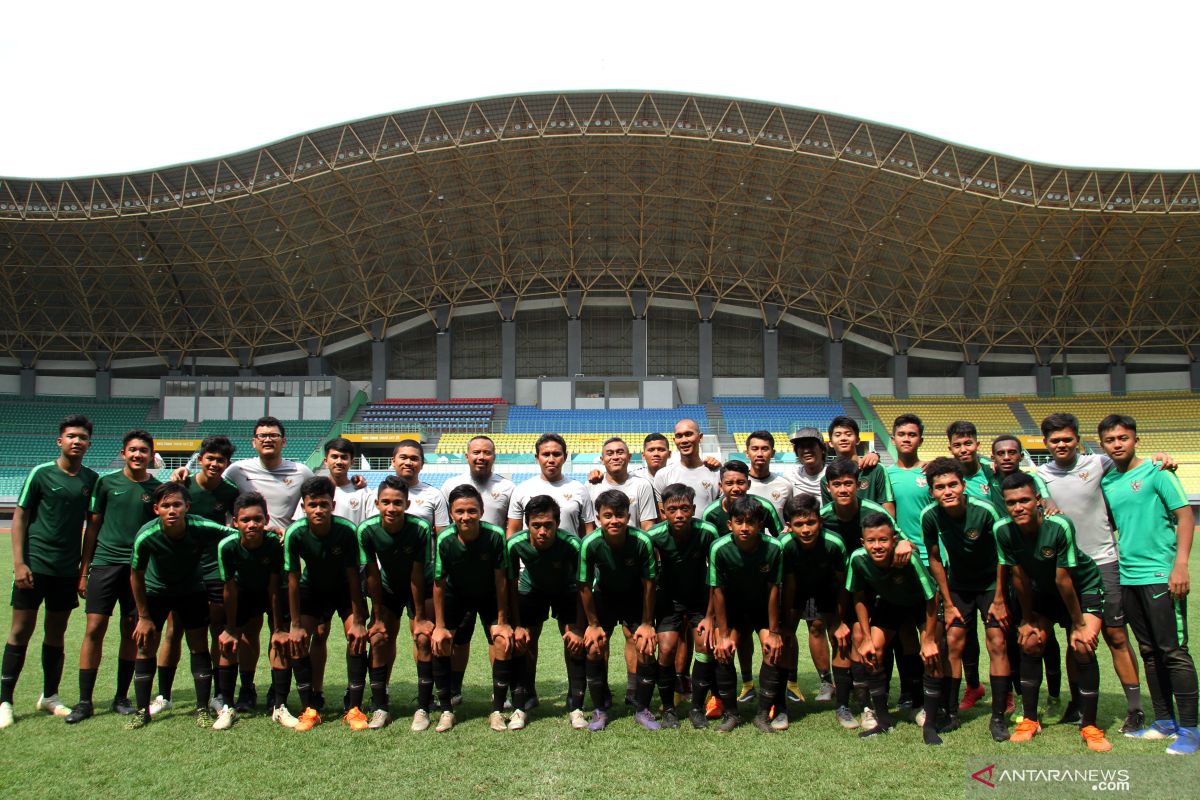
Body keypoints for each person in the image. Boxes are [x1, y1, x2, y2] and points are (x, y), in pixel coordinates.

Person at [1038, 413, 1171, 734]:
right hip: (1069, 567)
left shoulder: (1098, 463)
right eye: (1055, 440)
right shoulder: (1039, 474)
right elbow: (1037, 499)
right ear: (1045, 443)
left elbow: (1131, 466)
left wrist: (1158, 458)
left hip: (1104, 562)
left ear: (1078, 440)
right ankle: (1077, 703)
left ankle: (1135, 708)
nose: (1061, 445)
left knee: (1115, 635)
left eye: (1067, 439)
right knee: (1075, 638)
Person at [1097, 414, 1198, 754]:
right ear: (1103, 445)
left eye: (1123, 438)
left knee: (1173, 651)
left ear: (1136, 440)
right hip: (1128, 575)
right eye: (1111, 440)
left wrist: (1180, 566)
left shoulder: (1158, 473)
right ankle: (1165, 721)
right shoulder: (1109, 481)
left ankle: (1191, 729)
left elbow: (1185, 516)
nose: (1117, 444)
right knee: (1149, 652)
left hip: (1161, 574)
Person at [996, 472, 1112, 752]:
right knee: (1031, 640)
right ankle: (1031, 720)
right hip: (1043, 593)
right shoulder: (1003, 531)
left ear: (1038, 500)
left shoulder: (1059, 525)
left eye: (1024, 500)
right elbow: (1019, 578)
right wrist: (1027, 618)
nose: (1018, 507)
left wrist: (1079, 624)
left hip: (1081, 588)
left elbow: (1065, 580)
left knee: (1083, 645)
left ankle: (1090, 725)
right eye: (1011, 503)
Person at [0, 415, 98, 728]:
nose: (77, 441)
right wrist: (19, 564)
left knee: (56, 633)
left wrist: (82, 572)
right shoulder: (40, 474)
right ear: (60, 441)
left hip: (65, 572)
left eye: (82, 437)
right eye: (71, 436)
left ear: (89, 443)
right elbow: (19, 518)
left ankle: (50, 696)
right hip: (34, 567)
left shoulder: (91, 480)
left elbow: (91, 530)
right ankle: (5, 700)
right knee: (20, 631)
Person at [67, 430, 161, 724]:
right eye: (132, 450)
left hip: (138, 569)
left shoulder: (157, 489)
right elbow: (92, 528)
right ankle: (85, 701)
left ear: (151, 456)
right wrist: (84, 570)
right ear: (123, 453)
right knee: (94, 627)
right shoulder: (106, 483)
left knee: (131, 631)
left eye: (143, 451)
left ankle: (122, 697)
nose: (137, 455)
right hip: (105, 565)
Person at [127, 482, 236, 729]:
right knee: (145, 647)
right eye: (166, 505)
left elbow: (234, 533)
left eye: (177, 504)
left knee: (198, 646)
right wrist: (143, 617)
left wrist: (269, 532)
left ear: (187, 506)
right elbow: (135, 574)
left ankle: (201, 708)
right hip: (157, 592)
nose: (172, 510)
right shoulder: (147, 535)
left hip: (191, 590)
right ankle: (142, 710)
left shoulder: (200, 525)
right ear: (156, 509)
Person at [920, 457, 1011, 742]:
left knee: (996, 642)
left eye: (952, 485)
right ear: (932, 492)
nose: (947, 491)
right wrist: (947, 602)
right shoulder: (930, 516)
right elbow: (935, 559)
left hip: (990, 586)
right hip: (958, 586)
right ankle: (950, 713)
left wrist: (999, 598)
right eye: (939, 487)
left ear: (963, 486)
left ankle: (998, 717)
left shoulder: (985, 511)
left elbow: (1003, 556)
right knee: (954, 644)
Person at [152, 434, 239, 717]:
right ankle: (164, 694)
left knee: (216, 630)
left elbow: (235, 522)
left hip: (215, 569)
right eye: (210, 458)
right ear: (200, 459)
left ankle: (217, 694)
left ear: (227, 464)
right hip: (184, 570)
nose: (214, 464)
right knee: (174, 630)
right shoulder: (181, 485)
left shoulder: (229, 492)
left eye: (221, 460)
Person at [847, 513, 947, 745]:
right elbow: (858, 596)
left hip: (921, 606)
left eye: (883, 540)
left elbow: (932, 598)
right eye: (871, 541)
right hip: (890, 604)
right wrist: (866, 637)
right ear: (863, 542)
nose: (877, 545)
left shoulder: (908, 557)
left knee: (932, 655)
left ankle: (930, 724)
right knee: (873, 651)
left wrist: (930, 639)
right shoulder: (858, 558)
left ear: (893, 540)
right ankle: (883, 721)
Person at [283, 476, 369, 732]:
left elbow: (354, 576)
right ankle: (310, 707)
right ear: (303, 507)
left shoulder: (345, 531)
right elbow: (293, 580)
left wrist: (360, 620)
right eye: (312, 505)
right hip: (313, 590)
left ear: (332, 504)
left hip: (344, 589)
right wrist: (295, 624)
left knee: (355, 637)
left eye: (323, 504)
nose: (318, 510)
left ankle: (353, 707)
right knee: (299, 640)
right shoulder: (295, 533)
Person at [430, 484, 513, 732]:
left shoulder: (495, 536)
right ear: (452, 514)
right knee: (445, 641)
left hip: (488, 594)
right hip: (457, 595)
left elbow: (501, 581)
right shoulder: (445, 539)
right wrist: (440, 626)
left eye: (472, 511)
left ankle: (498, 707)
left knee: (500, 640)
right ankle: (447, 706)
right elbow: (438, 584)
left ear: (481, 510)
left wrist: (502, 620)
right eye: (460, 511)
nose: (466, 516)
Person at [701, 459, 783, 709]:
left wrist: (775, 629)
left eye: (740, 482)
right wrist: (712, 618)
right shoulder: (712, 517)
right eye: (729, 483)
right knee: (721, 643)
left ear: (748, 483)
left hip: (759, 589)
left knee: (774, 643)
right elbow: (715, 577)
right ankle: (724, 699)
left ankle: (774, 700)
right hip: (729, 593)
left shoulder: (765, 510)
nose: (735, 487)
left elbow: (781, 539)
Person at [357, 476, 434, 731]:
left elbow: (417, 574)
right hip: (387, 587)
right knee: (379, 638)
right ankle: (380, 706)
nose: (392, 508)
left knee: (422, 638)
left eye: (398, 503)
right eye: (386, 502)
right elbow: (372, 574)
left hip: (420, 587)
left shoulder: (420, 528)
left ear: (407, 503)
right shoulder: (367, 530)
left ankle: (423, 706)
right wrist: (377, 618)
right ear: (378, 503)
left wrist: (421, 617)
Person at [578, 490, 658, 731]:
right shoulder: (590, 543)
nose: (614, 521)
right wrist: (592, 625)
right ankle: (600, 708)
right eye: (608, 515)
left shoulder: (642, 541)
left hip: (634, 599)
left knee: (644, 646)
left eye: (620, 515)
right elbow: (584, 586)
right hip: (605, 598)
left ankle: (642, 707)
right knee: (593, 647)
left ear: (629, 515)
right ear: (599, 517)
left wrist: (647, 623)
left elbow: (649, 584)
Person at [506, 495, 587, 729]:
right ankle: (525, 698)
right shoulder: (515, 544)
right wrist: (517, 624)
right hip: (532, 589)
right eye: (536, 525)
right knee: (525, 642)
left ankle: (576, 703)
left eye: (548, 525)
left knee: (573, 642)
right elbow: (510, 585)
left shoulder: (572, 544)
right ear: (527, 524)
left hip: (566, 590)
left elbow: (582, 586)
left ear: (557, 523)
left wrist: (580, 628)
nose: (542, 531)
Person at [708, 496, 786, 733]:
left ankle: (762, 715)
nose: (745, 527)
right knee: (724, 650)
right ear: (729, 524)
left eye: (750, 522)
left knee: (772, 651)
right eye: (739, 521)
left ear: (760, 524)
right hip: (734, 610)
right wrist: (722, 634)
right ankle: (731, 713)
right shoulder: (719, 548)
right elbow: (718, 592)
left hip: (762, 609)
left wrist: (773, 632)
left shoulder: (774, 548)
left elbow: (774, 590)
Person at [214, 492, 290, 730]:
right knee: (235, 640)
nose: (252, 524)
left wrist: (278, 628)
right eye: (245, 520)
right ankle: (233, 702)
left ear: (266, 519)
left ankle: (279, 705)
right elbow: (229, 589)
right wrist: (230, 627)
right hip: (243, 594)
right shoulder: (227, 547)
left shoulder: (275, 544)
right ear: (235, 521)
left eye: (257, 519)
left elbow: (275, 587)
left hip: (273, 593)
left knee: (279, 641)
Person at [646, 483, 719, 729]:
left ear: (693, 508)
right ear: (663, 510)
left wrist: (710, 616)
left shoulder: (707, 532)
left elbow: (716, 576)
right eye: (673, 509)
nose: (679, 514)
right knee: (666, 649)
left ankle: (697, 708)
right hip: (669, 600)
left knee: (704, 646)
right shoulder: (654, 536)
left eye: (685, 508)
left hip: (700, 600)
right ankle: (668, 709)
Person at [778, 493, 852, 729]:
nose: (806, 529)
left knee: (838, 635)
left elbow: (842, 585)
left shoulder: (834, 543)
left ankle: (843, 705)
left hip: (827, 588)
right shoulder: (785, 546)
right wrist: (786, 623)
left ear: (820, 521)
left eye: (811, 523)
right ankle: (780, 707)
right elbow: (788, 586)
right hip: (797, 590)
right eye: (799, 524)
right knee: (786, 639)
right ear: (789, 526)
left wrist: (840, 621)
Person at [508, 434, 596, 539]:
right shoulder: (521, 490)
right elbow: (513, 531)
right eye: (545, 454)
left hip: (569, 555)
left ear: (565, 457)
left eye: (556, 454)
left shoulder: (579, 489)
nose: (551, 459)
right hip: (531, 555)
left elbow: (588, 531)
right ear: (537, 458)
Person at [822, 416, 894, 517]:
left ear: (858, 440)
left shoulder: (876, 470)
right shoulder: (826, 479)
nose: (843, 438)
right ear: (830, 443)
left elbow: (888, 507)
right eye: (837, 435)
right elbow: (830, 513)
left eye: (848, 434)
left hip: (874, 531)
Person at [440, 435, 515, 528]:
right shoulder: (450, 486)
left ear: (494, 457)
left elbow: (513, 527)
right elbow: (443, 524)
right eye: (476, 452)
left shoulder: (508, 487)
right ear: (467, 457)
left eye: (487, 453)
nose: (481, 457)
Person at [588, 437, 658, 530]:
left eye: (620, 452)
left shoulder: (642, 485)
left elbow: (647, 527)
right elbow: (589, 526)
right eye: (610, 453)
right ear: (602, 459)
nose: (615, 457)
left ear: (629, 457)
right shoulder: (591, 486)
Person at [652, 420, 720, 510]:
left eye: (688, 434)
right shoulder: (663, 475)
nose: (684, 440)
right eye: (679, 436)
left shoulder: (716, 473)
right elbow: (663, 514)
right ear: (674, 440)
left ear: (700, 437)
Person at [308, 437, 376, 527]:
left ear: (352, 462)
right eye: (334, 457)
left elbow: (373, 527)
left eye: (344, 457)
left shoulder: (365, 493)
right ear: (326, 461)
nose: (339, 462)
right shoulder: (313, 491)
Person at [744, 430, 793, 518]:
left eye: (765, 449)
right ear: (747, 453)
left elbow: (790, 518)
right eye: (754, 449)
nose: (759, 454)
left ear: (773, 453)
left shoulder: (785, 485)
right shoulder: (738, 485)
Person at [785, 427, 826, 499]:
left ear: (822, 449)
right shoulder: (790, 477)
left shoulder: (832, 476)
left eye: (811, 445)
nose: (806, 450)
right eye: (801, 446)